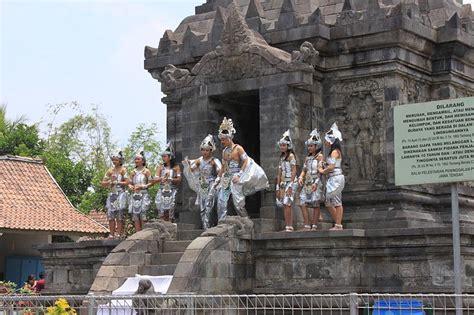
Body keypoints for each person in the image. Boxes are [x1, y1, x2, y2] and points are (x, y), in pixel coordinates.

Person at [215, 117, 268, 221]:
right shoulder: (224, 151)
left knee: (238, 202)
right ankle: (221, 221)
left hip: (236, 176)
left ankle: (245, 221)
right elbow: (223, 166)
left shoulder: (238, 148)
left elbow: (246, 161)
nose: (222, 142)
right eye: (221, 139)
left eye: (223, 139)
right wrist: (218, 178)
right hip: (226, 177)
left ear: (229, 138)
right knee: (221, 200)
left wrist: (240, 174)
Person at [183, 135, 222, 230]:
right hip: (203, 185)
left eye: (207, 150)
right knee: (203, 206)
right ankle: (205, 226)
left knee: (210, 204)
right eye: (203, 150)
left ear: (211, 150)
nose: (205, 152)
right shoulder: (199, 161)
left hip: (212, 184)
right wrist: (188, 164)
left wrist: (217, 169)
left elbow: (220, 170)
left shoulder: (214, 160)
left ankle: (210, 224)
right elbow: (191, 169)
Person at [319, 122, 345, 230]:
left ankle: (338, 224)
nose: (325, 142)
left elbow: (331, 167)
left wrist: (322, 170)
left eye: (326, 140)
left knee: (337, 201)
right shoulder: (332, 152)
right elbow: (330, 165)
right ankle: (338, 223)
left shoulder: (335, 152)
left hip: (335, 178)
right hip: (332, 178)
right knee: (329, 203)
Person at [298, 129, 325, 231]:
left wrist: (316, 183)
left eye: (311, 146)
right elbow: (304, 170)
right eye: (308, 146)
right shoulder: (307, 158)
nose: (309, 148)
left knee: (315, 204)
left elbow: (320, 171)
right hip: (307, 181)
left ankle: (314, 225)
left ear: (316, 146)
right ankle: (306, 224)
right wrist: (301, 177)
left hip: (316, 181)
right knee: (302, 203)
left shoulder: (320, 156)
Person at [101, 151, 128, 238]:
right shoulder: (110, 171)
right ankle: (112, 234)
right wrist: (109, 182)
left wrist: (117, 182)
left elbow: (128, 182)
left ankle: (119, 233)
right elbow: (103, 182)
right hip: (112, 194)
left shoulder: (123, 170)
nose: (114, 161)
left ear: (120, 161)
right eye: (113, 160)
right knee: (110, 213)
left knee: (119, 213)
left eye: (116, 160)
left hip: (120, 193)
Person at [275, 130, 298, 232]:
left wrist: (291, 185)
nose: (282, 147)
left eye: (284, 145)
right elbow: (279, 172)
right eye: (281, 145)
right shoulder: (282, 157)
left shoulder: (291, 156)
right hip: (283, 182)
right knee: (285, 204)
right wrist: (277, 185)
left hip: (291, 182)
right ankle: (288, 226)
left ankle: (289, 226)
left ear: (288, 146)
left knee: (287, 203)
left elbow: (294, 170)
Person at [155, 142, 181, 222]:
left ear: (170, 157)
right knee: (160, 208)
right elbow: (155, 179)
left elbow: (179, 179)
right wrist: (162, 178)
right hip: (162, 189)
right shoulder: (160, 167)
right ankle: (162, 225)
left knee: (171, 209)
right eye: (162, 156)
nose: (163, 158)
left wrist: (171, 179)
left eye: (164, 156)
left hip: (172, 189)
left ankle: (170, 225)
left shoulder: (176, 167)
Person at [128, 152, 153, 232]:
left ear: (143, 161)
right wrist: (130, 186)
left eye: (138, 159)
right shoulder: (133, 172)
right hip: (135, 195)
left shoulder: (146, 171)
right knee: (135, 215)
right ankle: (137, 234)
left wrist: (143, 186)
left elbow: (151, 182)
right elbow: (129, 182)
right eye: (135, 159)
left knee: (143, 214)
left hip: (143, 194)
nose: (136, 160)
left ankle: (143, 234)